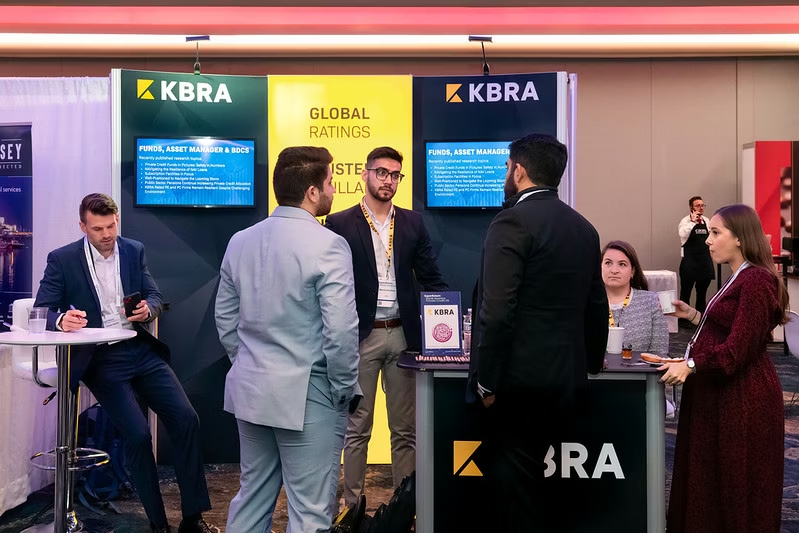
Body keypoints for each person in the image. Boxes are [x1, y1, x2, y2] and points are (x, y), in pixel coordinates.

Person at [34, 193, 216, 533]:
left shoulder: (133, 250)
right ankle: (158, 523)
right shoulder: (62, 259)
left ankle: (193, 518)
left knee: (186, 419)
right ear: (83, 226)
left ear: (118, 220)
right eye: (98, 228)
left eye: (112, 225)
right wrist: (62, 320)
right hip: (101, 358)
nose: (107, 234)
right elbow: (42, 310)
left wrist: (149, 309)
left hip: (140, 350)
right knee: (137, 434)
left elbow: (156, 296)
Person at [215, 146, 360, 533]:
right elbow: (341, 329)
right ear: (312, 192)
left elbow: (226, 320)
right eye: (330, 181)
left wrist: (248, 363)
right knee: (311, 511)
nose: (333, 188)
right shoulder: (329, 244)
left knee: (252, 498)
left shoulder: (240, 240)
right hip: (309, 394)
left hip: (251, 388)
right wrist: (344, 387)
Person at [469, 134, 608, 532]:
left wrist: (487, 383)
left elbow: (496, 313)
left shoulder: (511, 221)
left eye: (506, 167)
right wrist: (592, 366)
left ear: (520, 170)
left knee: (517, 499)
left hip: (516, 387)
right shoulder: (583, 228)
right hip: (565, 384)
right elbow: (595, 306)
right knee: (549, 492)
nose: (504, 175)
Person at [326, 146, 447, 506]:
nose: (388, 180)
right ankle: (353, 509)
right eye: (381, 172)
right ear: (364, 174)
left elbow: (431, 278)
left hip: (403, 335)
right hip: (361, 336)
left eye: (395, 175)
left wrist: (450, 318)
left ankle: (404, 508)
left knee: (405, 430)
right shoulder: (340, 223)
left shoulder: (412, 222)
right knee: (357, 429)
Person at [660, 204, 785, 532]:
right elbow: (728, 329)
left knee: (734, 482)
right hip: (721, 394)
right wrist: (693, 316)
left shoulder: (756, 280)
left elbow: (737, 350)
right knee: (714, 479)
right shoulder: (740, 275)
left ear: (741, 238)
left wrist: (690, 364)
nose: (708, 240)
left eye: (716, 233)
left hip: (742, 400)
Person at [602, 240, 669, 356]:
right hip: (595, 373)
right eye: (608, 263)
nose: (614, 270)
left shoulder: (651, 301)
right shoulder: (586, 302)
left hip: (640, 372)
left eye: (622, 264)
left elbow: (659, 353)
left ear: (632, 271)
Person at [678, 196, 714, 315]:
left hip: (704, 262)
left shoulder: (707, 221)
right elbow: (682, 234)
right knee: (685, 293)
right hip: (690, 262)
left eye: (703, 205)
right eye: (698, 205)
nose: (701, 208)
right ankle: (684, 319)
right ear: (691, 208)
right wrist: (693, 222)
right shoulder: (685, 221)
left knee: (702, 293)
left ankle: (700, 319)